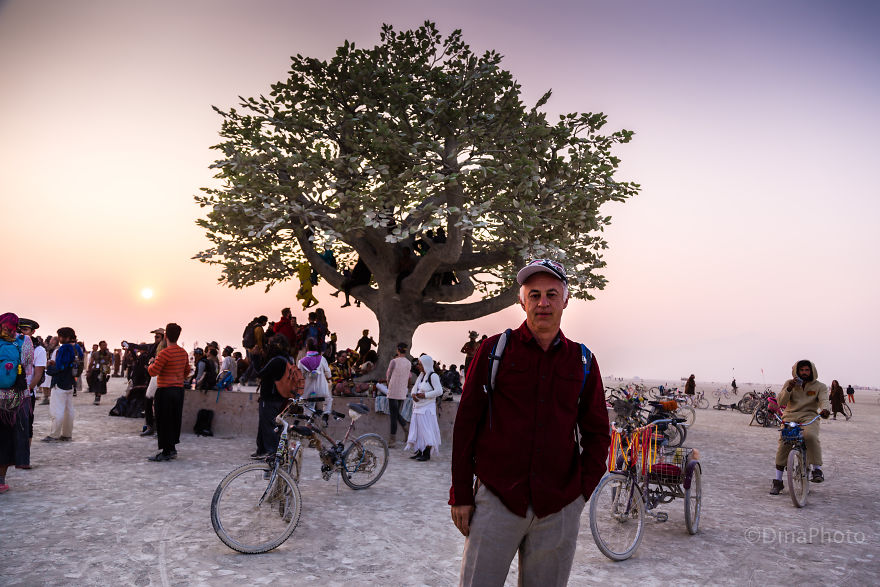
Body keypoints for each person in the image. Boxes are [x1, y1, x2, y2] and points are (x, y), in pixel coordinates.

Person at [450, 259, 610, 586]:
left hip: (559, 505)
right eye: (534, 295)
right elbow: (466, 424)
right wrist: (462, 494)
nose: (543, 303)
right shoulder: (494, 351)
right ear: (522, 301)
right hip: (497, 499)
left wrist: (581, 492)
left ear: (566, 300)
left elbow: (597, 434)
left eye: (552, 294)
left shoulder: (582, 361)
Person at [769, 359, 830, 494]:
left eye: (807, 370)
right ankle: (778, 481)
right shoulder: (789, 384)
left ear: (812, 371)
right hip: (790, 416)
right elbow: (780, 402)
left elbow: (824, 400)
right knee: (784, 443)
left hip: (809, 416)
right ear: (797, 371)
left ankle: (816, 469)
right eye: (801, 370)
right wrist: (789, 388)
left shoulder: (820, 386)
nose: (804, 373)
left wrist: (825, 410)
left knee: (810, 436)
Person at [0, 313, 35, 492]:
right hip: (16, 399)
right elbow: (28, 366)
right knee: (7, 440)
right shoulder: (24, 340)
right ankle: (1, 481)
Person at [146, 323, 190, 462]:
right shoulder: (183, 352)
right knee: (174, 420)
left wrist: (150, 364)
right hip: (178, 391)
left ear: (166, 336)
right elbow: (187, 371)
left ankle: (166, 451)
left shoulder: (164, 353)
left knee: (163, 421)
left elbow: (154, 371)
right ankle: (172, 449)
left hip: (165, 390)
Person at [252, 335, 299, 459]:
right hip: (280, 397)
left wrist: (255, 357)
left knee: (269, 425)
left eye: (270, 344)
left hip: (271, 397)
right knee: (268, 423)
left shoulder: (276, 360)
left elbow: (259, 373)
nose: (268, 347)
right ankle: (262, 450)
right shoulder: (288, 359)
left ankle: (272, 452)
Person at [43, 327, 82, 442]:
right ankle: (67, 434)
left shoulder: (64, 348)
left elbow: (60, 367)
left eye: (61, 336)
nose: (59, 339)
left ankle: (54, 435)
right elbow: (69, 364)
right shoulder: (77, 348)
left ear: (67, 337)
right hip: (70, 382)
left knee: (57, 410)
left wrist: (50, 367)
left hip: (60, 382)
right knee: (68, 410)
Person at [405, 354, 443, 461]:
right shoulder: (421, 375)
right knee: (419, 431)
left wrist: (425, 395)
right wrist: (413, 395)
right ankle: (420, 451)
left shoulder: (433, 376)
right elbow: (414, 388)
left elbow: (439, 391)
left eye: (420, 364)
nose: (418, 366)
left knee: (427, 430)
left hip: (427, 408)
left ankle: (427, 453)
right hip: (418, 407)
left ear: (426, 364)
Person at [18, 319, 45, 454]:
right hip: (9, 391)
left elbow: (38, 374)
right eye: (19, 329)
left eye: (25, 330)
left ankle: (24, 455)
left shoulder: (39, 350)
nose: (21, 332)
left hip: (27, 393)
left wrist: (27, 391)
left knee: (27, 423)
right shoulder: (12, 345)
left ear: (33, 332)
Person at [385, 343, 412, 447]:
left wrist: (388, 385)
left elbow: (388, 375)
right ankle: (405, 429)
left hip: (393, 390)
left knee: (393, 415)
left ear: (398, 350)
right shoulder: (408, 363)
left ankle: (392, 440)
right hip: (402, 391)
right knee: (396, 413)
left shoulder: (393, 361)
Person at [297, 338, 332, 414]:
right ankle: (326, 414)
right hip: (322, 391)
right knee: (328, 399)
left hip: (309, 392)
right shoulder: (322, 359)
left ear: (307, 346)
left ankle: (308, 421)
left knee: (308, 407)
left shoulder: (301, 362)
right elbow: (328, 374)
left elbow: (300, 377)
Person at [87, 341, 112, 405]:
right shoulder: (95, 354)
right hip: (96, 370)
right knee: (96, 383)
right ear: (100, 346)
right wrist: (89, 370)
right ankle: (97, 396)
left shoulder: (109, 354)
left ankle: (98, 397)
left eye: (105, 345)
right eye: (103, 345)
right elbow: (91, 362)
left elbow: (110, 363)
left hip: (104, 369)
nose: (105, 346)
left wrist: (108, 372)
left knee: (101, 384)